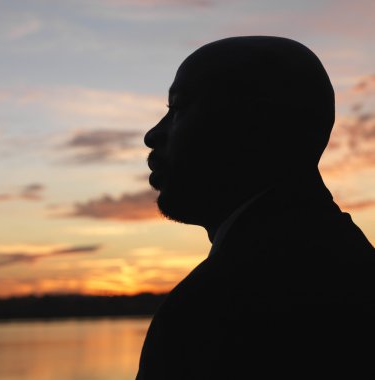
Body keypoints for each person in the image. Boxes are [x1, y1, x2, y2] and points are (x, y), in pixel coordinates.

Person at [136, 36, 375, 379]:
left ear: (254, 123)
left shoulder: (213, 311)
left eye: (179, 107)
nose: (153, 134)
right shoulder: (351, 265)